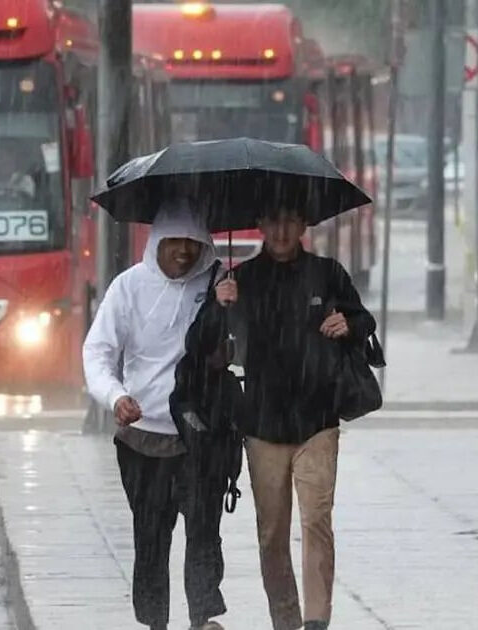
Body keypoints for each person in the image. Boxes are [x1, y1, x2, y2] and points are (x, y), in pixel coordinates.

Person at [205, 205, 376, 630]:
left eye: (290, 221)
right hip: (262, 424)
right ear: (259, 225)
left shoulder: (327, 273)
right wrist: (220, 305)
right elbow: (216, 347)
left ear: (304, 225)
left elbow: (364, 319)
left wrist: (348, 322)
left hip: (318, 420)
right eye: (272, 220)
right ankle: (286, 619)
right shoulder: (241, 279)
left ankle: (317, 621)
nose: (281, 230)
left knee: (317, 519)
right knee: (271, 534)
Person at [82, 199, 229, 630]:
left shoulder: (219, 285)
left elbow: (239, 349)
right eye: (174, 242)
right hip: (142, 438)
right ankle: (154, 622)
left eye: (193, 242)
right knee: (150, 537)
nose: (183, 251)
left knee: (204, 533)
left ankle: (203, 618)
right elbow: (98, 351)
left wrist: (227, 311)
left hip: (200, 437)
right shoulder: (127, 288)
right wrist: (115, 397)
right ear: (156, 242)